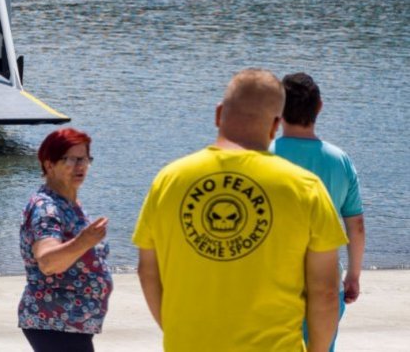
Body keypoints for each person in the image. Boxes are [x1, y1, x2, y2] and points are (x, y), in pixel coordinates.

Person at [132, 68, 347, 352]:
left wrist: (180, 334)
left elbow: (148, 272)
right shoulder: (306, 188)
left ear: (218, 114)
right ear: (275, 125)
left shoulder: (169, 180)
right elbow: (325, 292)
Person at [272, 72, 364, 352]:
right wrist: (353, 276)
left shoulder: (262, 155)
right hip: (325, 281)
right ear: (320, 107)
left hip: (272, 280)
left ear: (278, 110)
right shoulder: (340, 160)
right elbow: (356, 226)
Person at [19, 128, 112, 352]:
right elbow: (47, 262)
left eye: (84, 159)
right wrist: (83, 242)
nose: (80, 166)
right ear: (49, 164)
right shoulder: (46, 208)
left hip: (70, 323)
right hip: (54, 321)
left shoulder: (69, 203)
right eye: (71, 159)